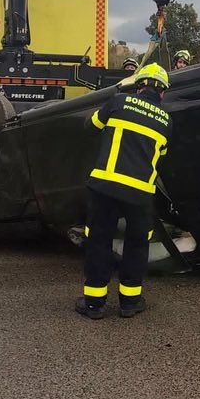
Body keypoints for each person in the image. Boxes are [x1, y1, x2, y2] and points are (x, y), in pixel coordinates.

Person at [77, 63, 171, 320]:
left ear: (139, 87)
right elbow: (160, 156)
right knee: (137, 244)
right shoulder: (166, 121)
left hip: (105, 186)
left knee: (99, 240)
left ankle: (94, 304)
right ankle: (130, 302)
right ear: (162, 93)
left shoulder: (118, 102)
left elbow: (91, 126)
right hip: (140, 193)